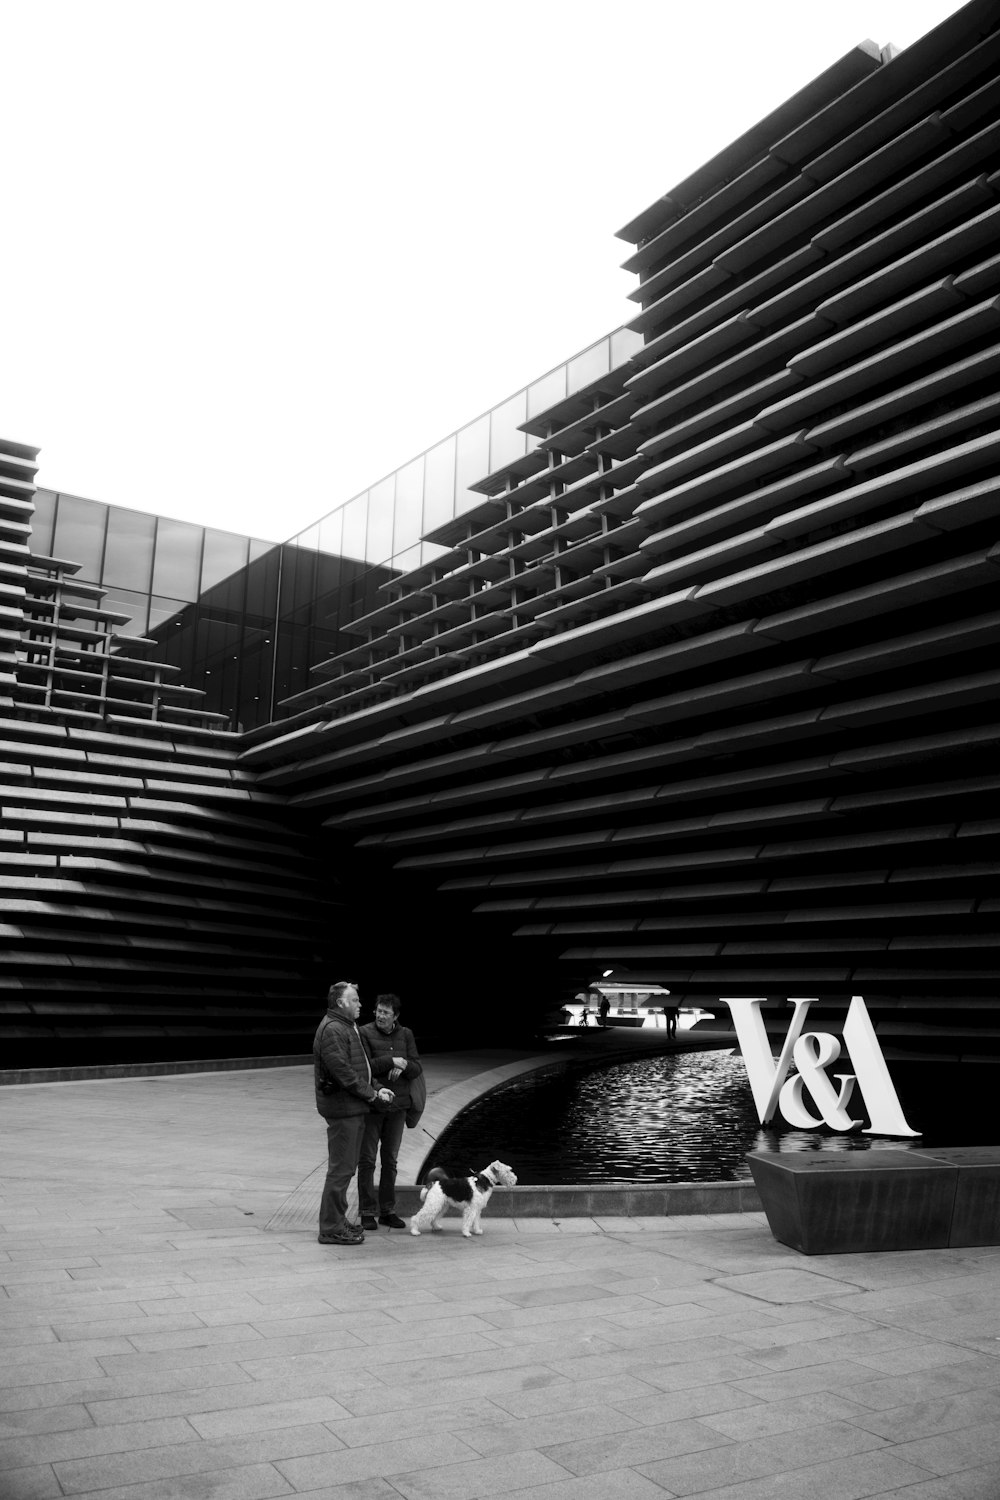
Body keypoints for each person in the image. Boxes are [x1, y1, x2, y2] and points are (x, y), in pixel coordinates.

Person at [313, 981, 394, 1246]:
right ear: (341, 1003)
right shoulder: (333, 1029)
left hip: (353, 1108)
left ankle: (337, 1220)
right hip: (343, 1110)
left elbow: (362, 1069)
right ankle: (330, 1228)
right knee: (340, 1170)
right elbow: (345, 1074)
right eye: (355, 1000)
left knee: (346, 1169)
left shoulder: (347, 1027)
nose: (360, 1004)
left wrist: (377, 1088)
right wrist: (371, 1094)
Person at [358, 992, 422, 1231]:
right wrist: (392, 1060)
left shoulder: (406, 1034)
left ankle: (387, 1211)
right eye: (378, 1011)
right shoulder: (364, 1032)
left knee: (390, 1161)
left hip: (398, 1107)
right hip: (373, 1105)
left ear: (395, 1015)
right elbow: (365, 1067)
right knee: (366, 1160)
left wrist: (404, 1065)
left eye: (386, 1012)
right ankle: (366, 1211)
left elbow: (416, 1067)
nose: (380, 1016)